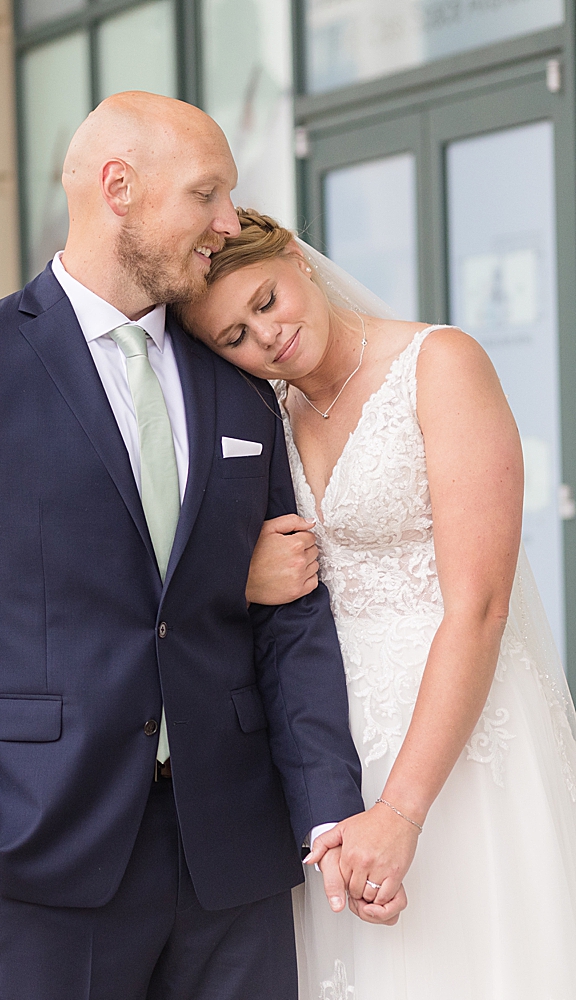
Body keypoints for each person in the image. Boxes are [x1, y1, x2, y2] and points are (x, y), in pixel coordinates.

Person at [0, 92, 366, 1000]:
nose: (226, 223)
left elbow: (291, 609)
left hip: (234, 849)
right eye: (207, 194)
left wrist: (327, 807)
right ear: (120, 188)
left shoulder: (237, 378)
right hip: (43, 843)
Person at [184, 209, 576, 998]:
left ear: (295, 258)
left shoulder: (440, 364)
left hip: (460, 739)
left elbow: (482, 605)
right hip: (329, 750)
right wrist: (240, 575)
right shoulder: (266, 420)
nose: (266, 337)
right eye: (234, 338)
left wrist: (402, 810)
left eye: (265, 301)